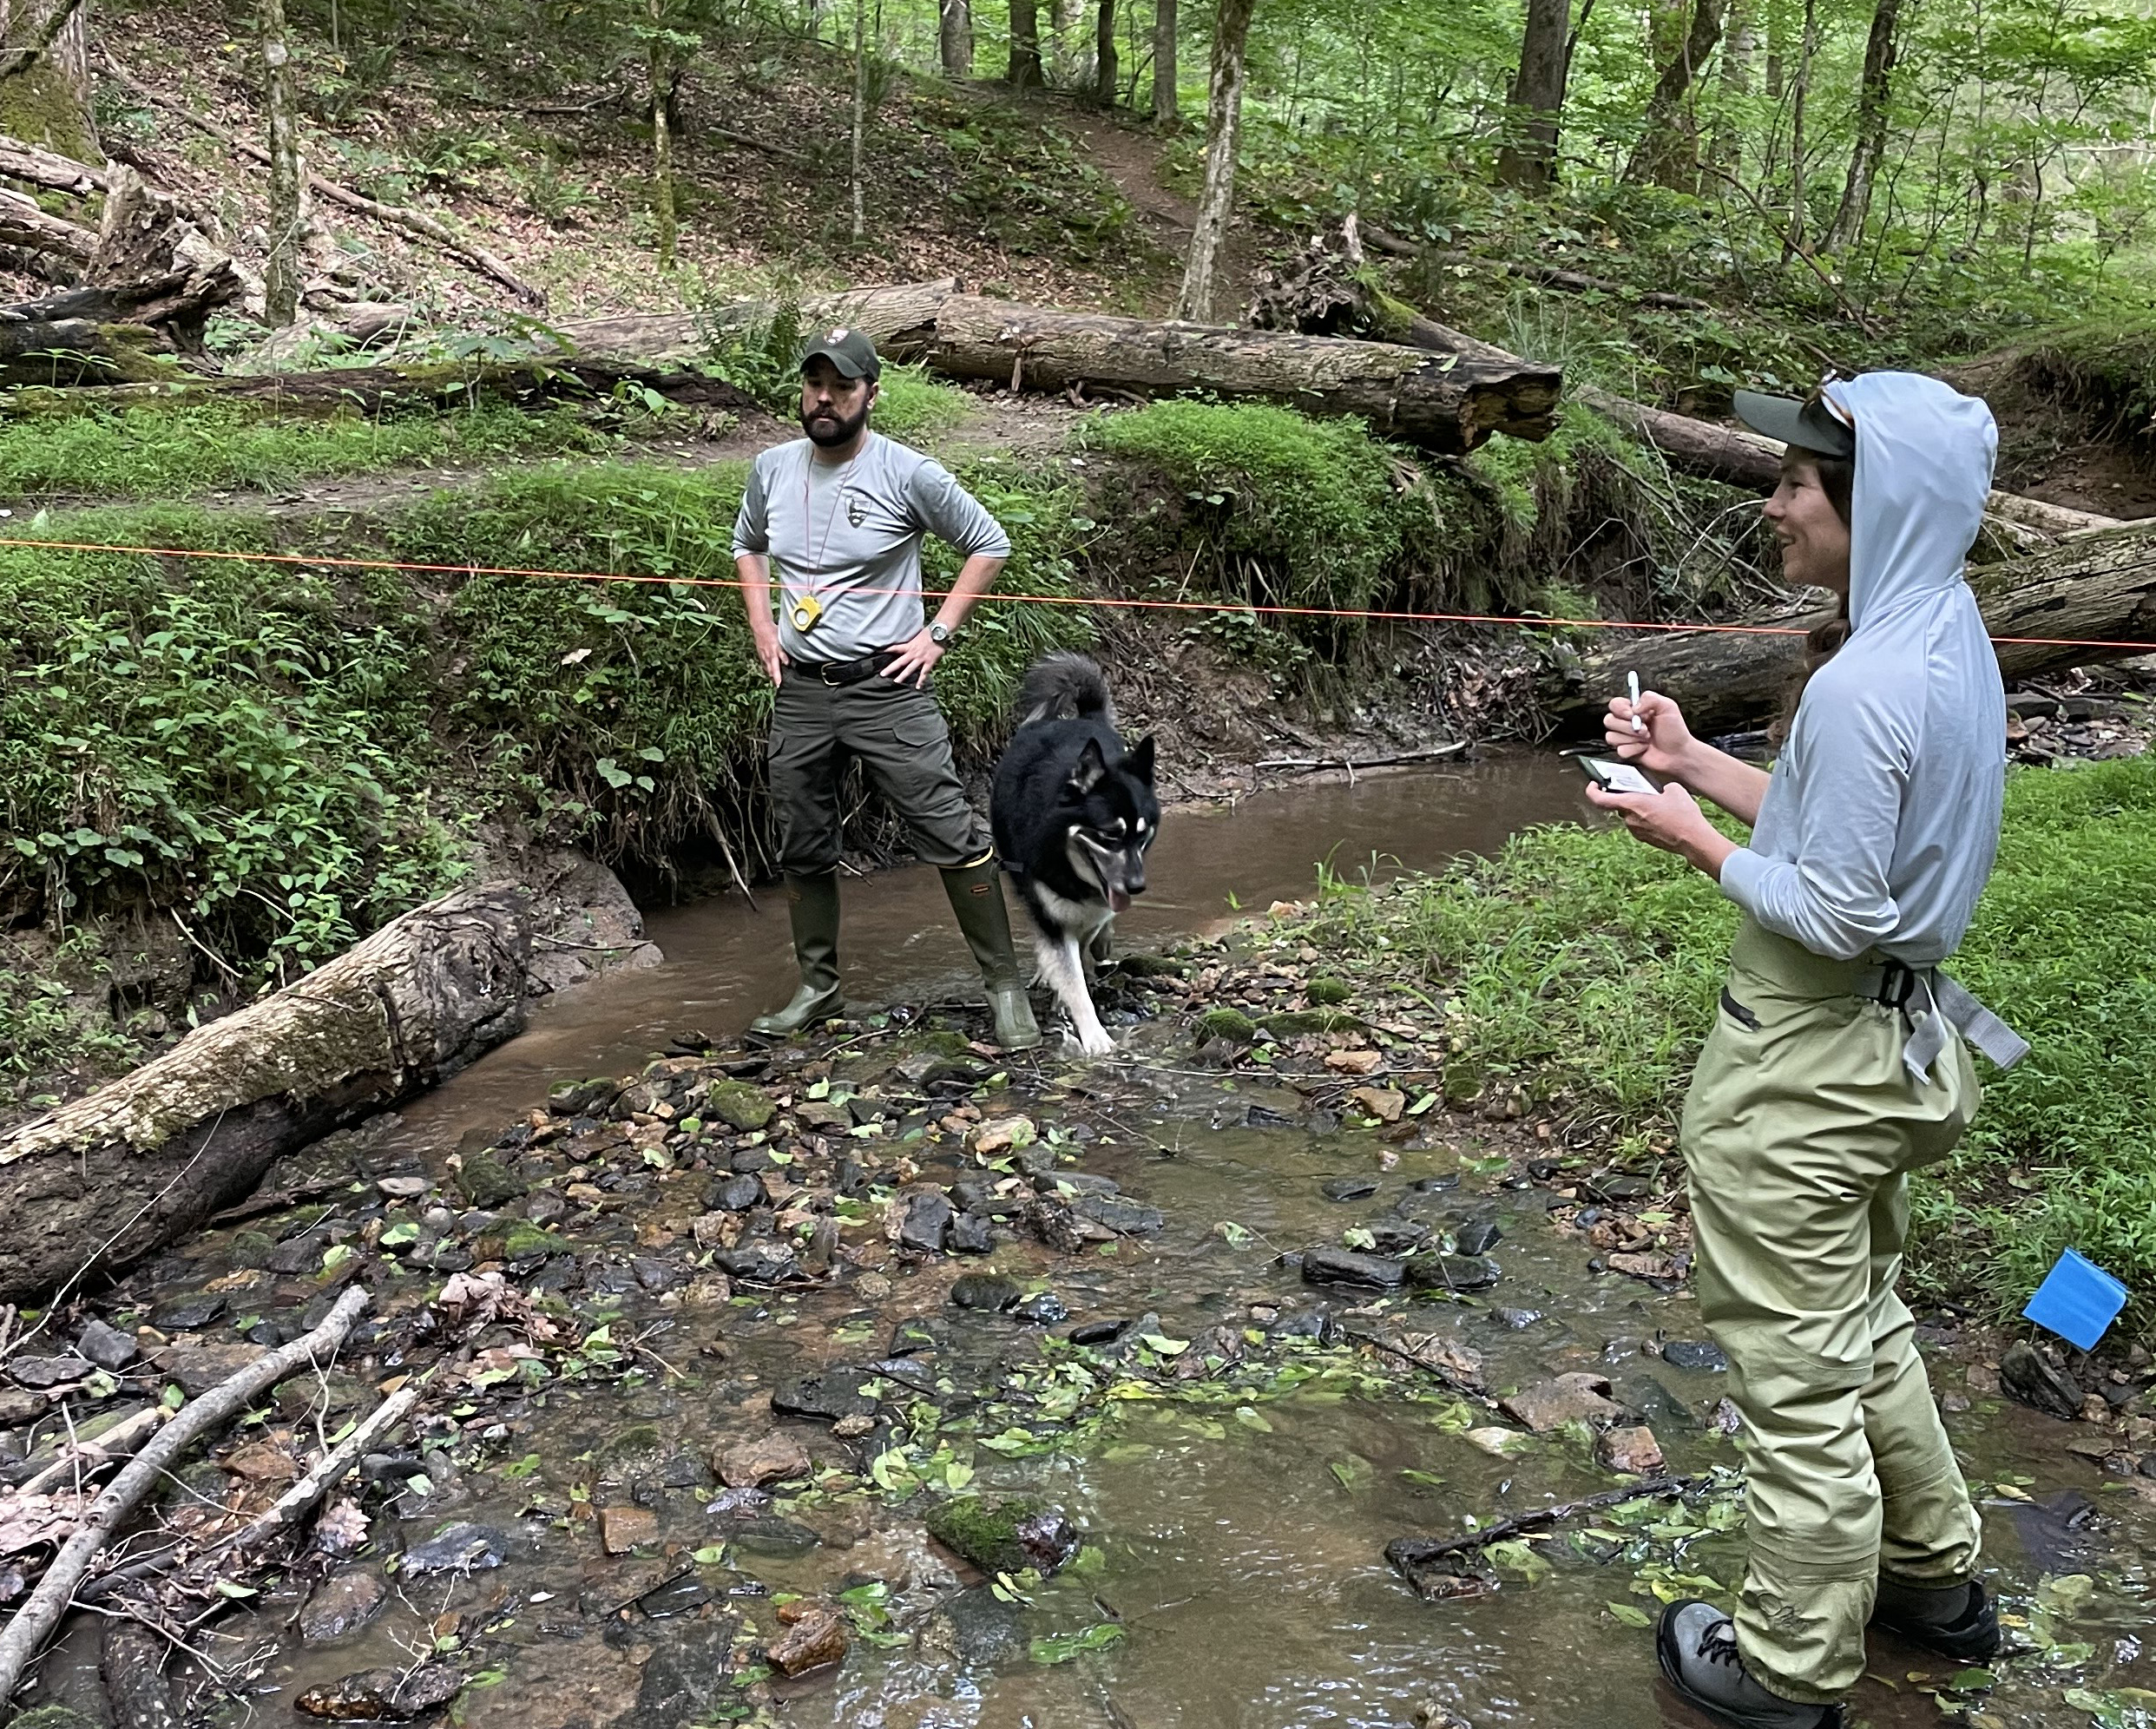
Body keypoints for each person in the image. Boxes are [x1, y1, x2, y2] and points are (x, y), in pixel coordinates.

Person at [1584, 373, 2028, 1729]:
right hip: (1897, 1060)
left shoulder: (1860, 684)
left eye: (1797, 484)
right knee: (1863, 1325)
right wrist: (1703, 766)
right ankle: (1933, 1583)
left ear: (1871, 506)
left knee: (1795, 1379)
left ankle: (1785, 1667)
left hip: (1805, 1082)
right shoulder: (1942, 635)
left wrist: (1695, 845)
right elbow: (1857, 841)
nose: (1773, 503)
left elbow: (1833, 910)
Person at [732, 325, 1041, 1049]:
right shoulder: (772, 468)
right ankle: (818, 988)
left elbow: (989, 543)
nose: (824, 399)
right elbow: (747, 544)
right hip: (802, 690)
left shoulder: (910, 473)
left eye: (841, 386)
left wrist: (937, 633)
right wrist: (762, 626)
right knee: (802, 840)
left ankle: (1004, 984)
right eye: (814, 385)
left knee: (948, 829)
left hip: (888, 688)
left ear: (871, 393)